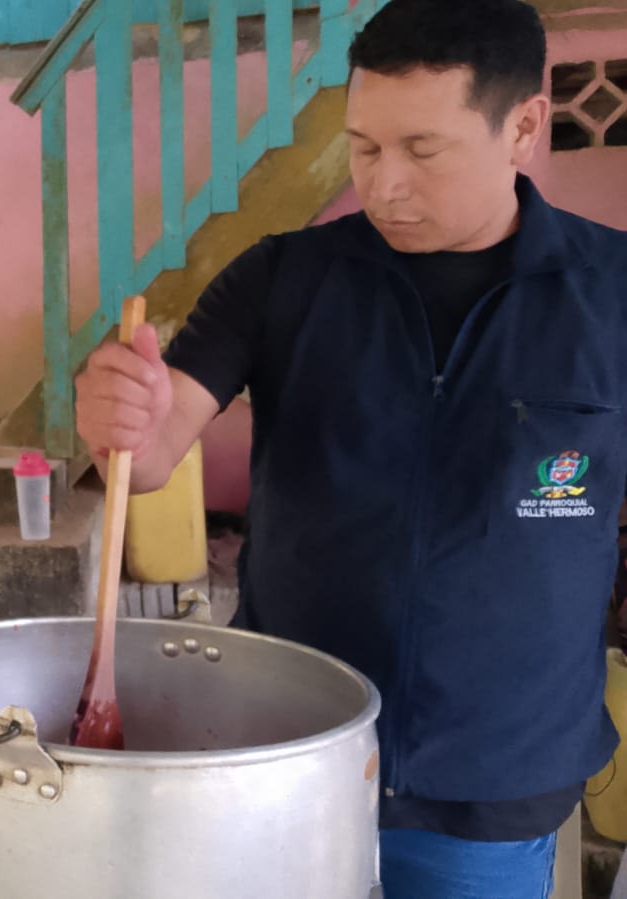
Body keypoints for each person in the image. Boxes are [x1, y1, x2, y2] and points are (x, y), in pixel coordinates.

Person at [75, 0, 626, 895]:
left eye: (422, 150)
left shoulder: (610, 293)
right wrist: (120, 420)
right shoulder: (282, 277)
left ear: (523, 127)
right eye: (363, 147)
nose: (383, 185)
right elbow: (153, 448)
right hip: (283, 752)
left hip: (492, 783)